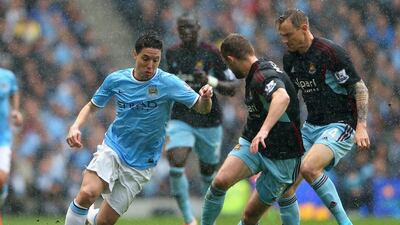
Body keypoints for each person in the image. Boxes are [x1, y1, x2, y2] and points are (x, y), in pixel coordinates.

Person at [64, 32, 214, 225]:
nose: (150, 65)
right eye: (145, 59)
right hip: (114, 148)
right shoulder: (116, 80)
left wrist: (206, 98)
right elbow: (92, 106)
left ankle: (89, 218)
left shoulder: (168, 83)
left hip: (141, 164)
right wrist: (75, 126)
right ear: (135, 54)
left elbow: (202, 109)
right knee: (87, 193)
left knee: (102, 222)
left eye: (155, 60)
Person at [276, 9, 370, 225]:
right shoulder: (289, 58)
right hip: (311, 126)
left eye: (288, 35)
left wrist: (362, 125)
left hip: (341, 124)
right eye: (282, 36)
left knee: (309, 167)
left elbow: (360, 88)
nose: (284, 40)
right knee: (285, 186)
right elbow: (289, 97)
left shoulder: (330, 52)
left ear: (304, 29)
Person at [201, 33, 304, 225]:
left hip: (282, 155)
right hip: (253, 143)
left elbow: (282, 97)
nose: (229, 69)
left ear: (231, 59)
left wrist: (264, 130)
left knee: (250, 216)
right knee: (220, 182)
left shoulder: (261, 75)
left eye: (228, 64)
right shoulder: (257, 70)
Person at [165, 13, 238, 225]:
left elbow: (232, 88)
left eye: (190, 27)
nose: (186, 32)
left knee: (208, 172)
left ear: (199, 28)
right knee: (176, 161)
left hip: (208, 119)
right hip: (181, 117)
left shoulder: (212, 53)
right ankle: (189, 219)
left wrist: (209, 80)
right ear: (177, 31)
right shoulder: (171, 54)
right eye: (182, 29)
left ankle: (208, 221)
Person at [0, 68, 23, 225]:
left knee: (1, 179)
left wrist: (15, 111)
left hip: (3, 137)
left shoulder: (7, 76)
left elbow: (14, 91)